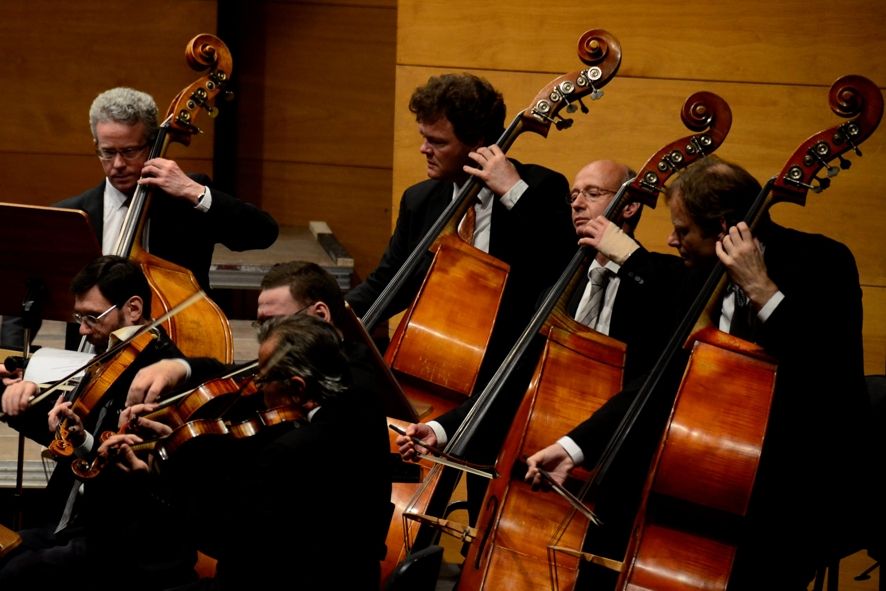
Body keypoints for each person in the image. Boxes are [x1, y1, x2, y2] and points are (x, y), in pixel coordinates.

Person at [524, 156, 874, 590]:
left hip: (796, 488)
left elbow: (827, 377)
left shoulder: (822, 262)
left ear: (726, 226)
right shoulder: (699, 278)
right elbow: (663, 380)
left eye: (683, 229)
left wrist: (761, 289)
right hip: (707, 479)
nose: (671, 239)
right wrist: (573, 446)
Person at [394, 159, 689, 538]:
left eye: (593, 193)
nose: (578, 203)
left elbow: (657, 379)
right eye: (574, 196)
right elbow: (518, 379)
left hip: (613, 477)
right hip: (539, 470)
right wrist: (442, 428)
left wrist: (628, 255)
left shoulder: (664, 279)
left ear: (630, 205)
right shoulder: (562, 286)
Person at [98, 313, 393, 590]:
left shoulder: (288, 453)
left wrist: (154, 479)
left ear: (298, 388)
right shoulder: (367, 411)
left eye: (263, 379)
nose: (257, 389)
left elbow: (222, 542)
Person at [1, 86, 279, 349]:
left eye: (130, 151)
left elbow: (263, 233)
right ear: (95, 145)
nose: (119, 164)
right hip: (89, 365)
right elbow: (27, 293)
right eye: (108, 152)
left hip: (174, 352)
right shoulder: (72, 216)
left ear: (152, 143)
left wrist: (193, 191)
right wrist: (7, 355)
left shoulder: (185, 199)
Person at [345, 72, 576, 384]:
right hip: (434, 360)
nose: (424, 150)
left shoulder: (540, 188)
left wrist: (512, 191)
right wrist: (333, 314)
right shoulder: (420, 200)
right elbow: (388, 281)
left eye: (437, 142)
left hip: (510, 371)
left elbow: (561, 263)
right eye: (424, 137)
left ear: (478, 142)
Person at [0, 255, 199, 590]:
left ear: (133, 309)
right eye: (79, 317)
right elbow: (66, 433)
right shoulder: (112, 359)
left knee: (16, 574)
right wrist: (11, 396)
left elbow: (125, 475)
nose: (82, 329)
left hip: (124, 539)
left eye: (92, 317)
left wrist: (81, 439)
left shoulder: (157, 375)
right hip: (72, 524)